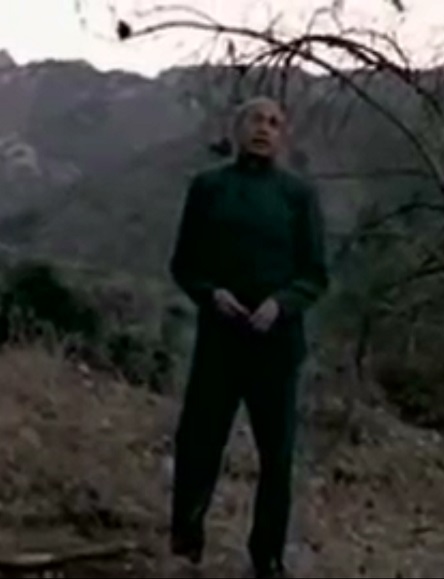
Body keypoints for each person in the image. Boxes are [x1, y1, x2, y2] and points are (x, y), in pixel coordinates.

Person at [167, 96, 330, 578]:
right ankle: (185, 544)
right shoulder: (208, 187)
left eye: (275, 123)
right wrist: (211, 294)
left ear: (283, 135)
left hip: (277, 346)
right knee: (198, 444)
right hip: (219, 341)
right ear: (238, 128)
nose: (264, 129)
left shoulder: (298, 195)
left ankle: (267, 559)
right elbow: (184, 264)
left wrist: (281, 304)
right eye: (256, 120)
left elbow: (315, 275)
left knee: (276, 457)